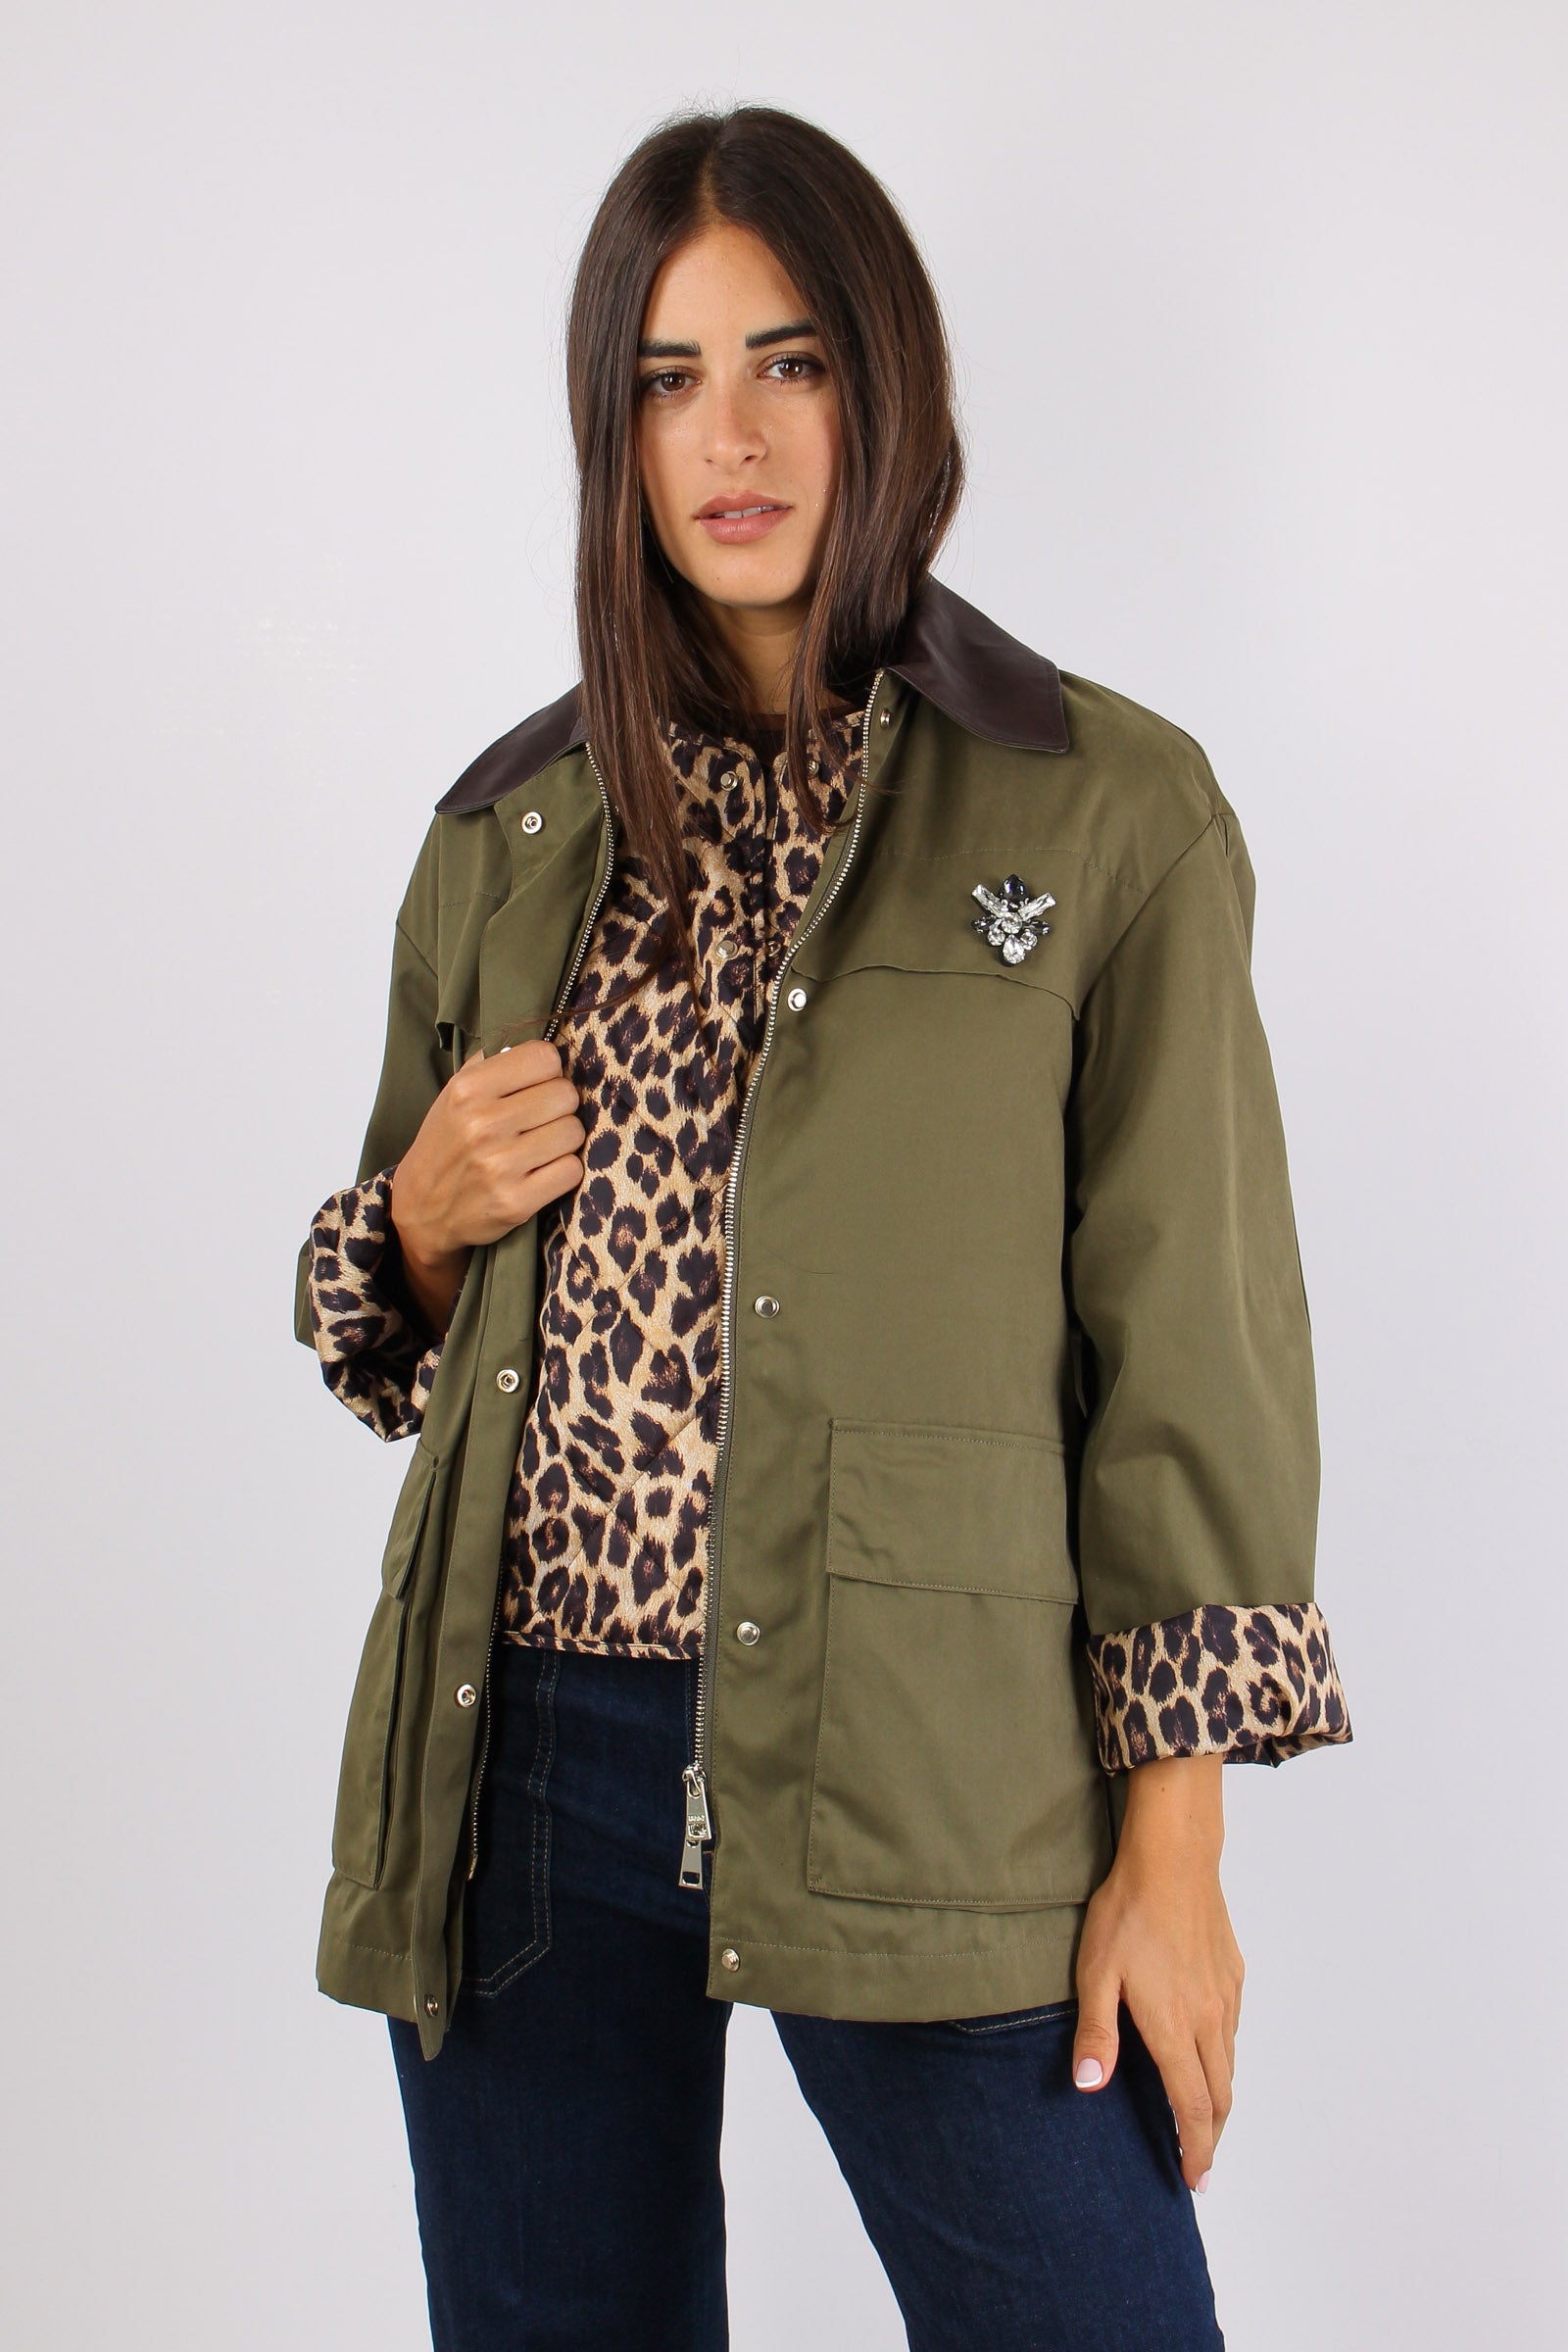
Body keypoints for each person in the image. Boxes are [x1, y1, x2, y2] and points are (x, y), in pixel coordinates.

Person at [294, 103, 1351, 2352]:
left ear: (885, 387)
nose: (733, 436)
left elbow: (1189, 1348)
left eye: (788, 362)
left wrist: (1171, 1850)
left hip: (925, 1750)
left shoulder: (1106, 809)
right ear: (610, 430)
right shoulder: (507, 832)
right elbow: (384, 1326)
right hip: (525, 1755)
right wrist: (416, 1219)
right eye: (666, 379)